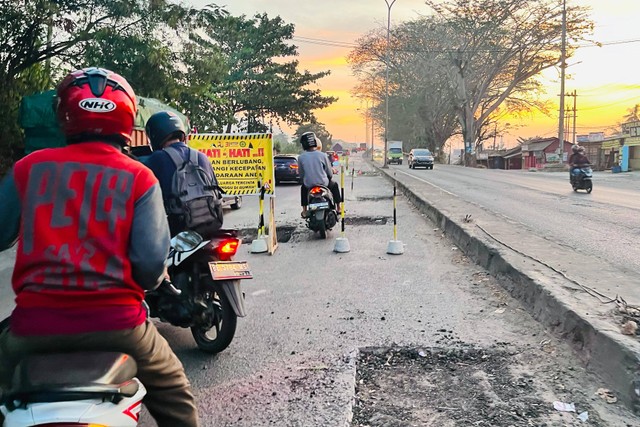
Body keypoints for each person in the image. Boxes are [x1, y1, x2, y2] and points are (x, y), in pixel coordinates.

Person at [0, 67, 199, 427]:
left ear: (64, 113)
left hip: (33, 328)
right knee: (175, 394)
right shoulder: (140, 176)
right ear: (127, 116)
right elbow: (151, 266)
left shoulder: (28, 168)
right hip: (119, 325)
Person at [143, 111, 222, 237]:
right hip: (211, 224)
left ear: (154, 135)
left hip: (177, 231)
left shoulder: (157, 159)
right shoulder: (201, 157)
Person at [297, 132, 342, 217]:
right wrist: (329, 176)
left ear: (303, 145)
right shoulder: (323, 155)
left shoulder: (301, 157)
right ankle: (339, 207)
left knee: (303, 189)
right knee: (335, 185)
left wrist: (305, 179)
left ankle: (304, 210)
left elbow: (301, 174)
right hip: (323, 183)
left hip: (308, 185)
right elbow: (329, 171)